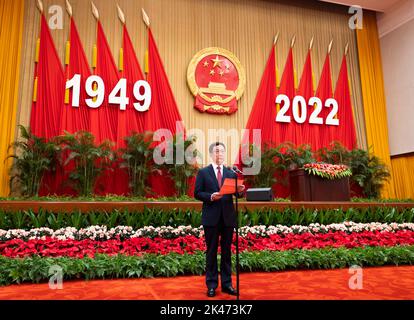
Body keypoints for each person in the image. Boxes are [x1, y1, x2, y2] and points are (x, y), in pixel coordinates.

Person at [194, 142, 245, 298]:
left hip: (228, 218)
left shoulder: (231, 173)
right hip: (211, 218)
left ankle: (227, 284)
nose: (220, 154)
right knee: (211, 252)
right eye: (217, 151)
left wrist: (240, 191)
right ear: (211, 154)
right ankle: (211, 285)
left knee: (227, 252)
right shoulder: (203, 172)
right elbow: (197, 193)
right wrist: (210, 196)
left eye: (222, 151)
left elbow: (237, 195)